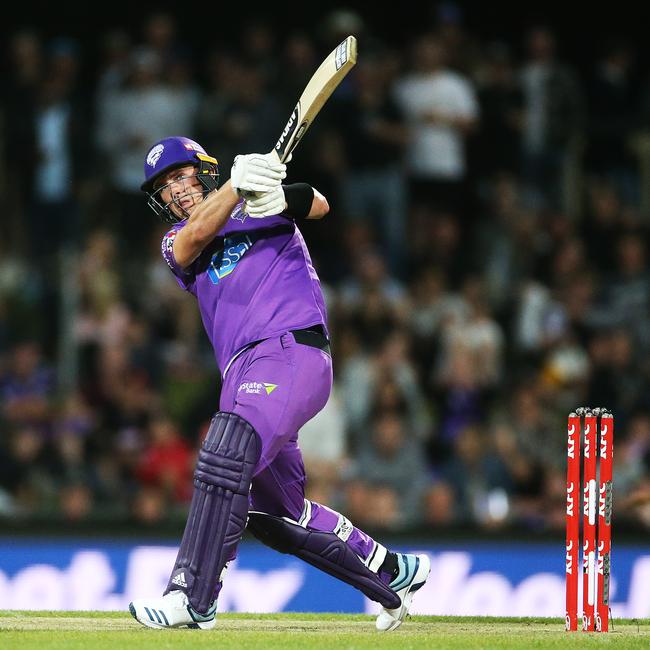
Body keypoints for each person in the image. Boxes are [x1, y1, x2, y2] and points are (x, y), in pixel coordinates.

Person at [128, 136, 430, 631]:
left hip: (290, 353)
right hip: (242, 374)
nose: (176, 190)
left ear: (204, 171)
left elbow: (318, 203)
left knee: (223, 454)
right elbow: (193, 238)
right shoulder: (178, 240)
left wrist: (274, 191)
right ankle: (392, 575)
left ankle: (191, 597)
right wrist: (235, 186)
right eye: (164, 186)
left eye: (182, 175)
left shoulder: (258, 205)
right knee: (276, 516)